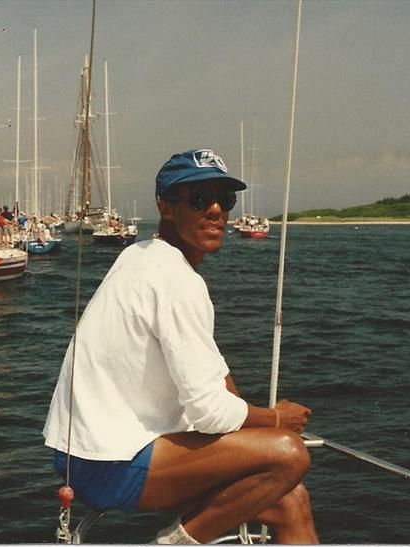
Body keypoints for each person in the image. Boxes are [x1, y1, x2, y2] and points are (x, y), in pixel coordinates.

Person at [43, 148, 317, 544]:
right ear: (166, 207)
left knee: (290, 499)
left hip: (83, 457)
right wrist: (274, 422)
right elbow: (207, 412)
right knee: (288, 454)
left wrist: (249, 433)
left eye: (226, 201)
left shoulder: (140, 256)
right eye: (200, 199)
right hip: (107, 463)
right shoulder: (174, 279)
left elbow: (214, 375)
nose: (217, 211)